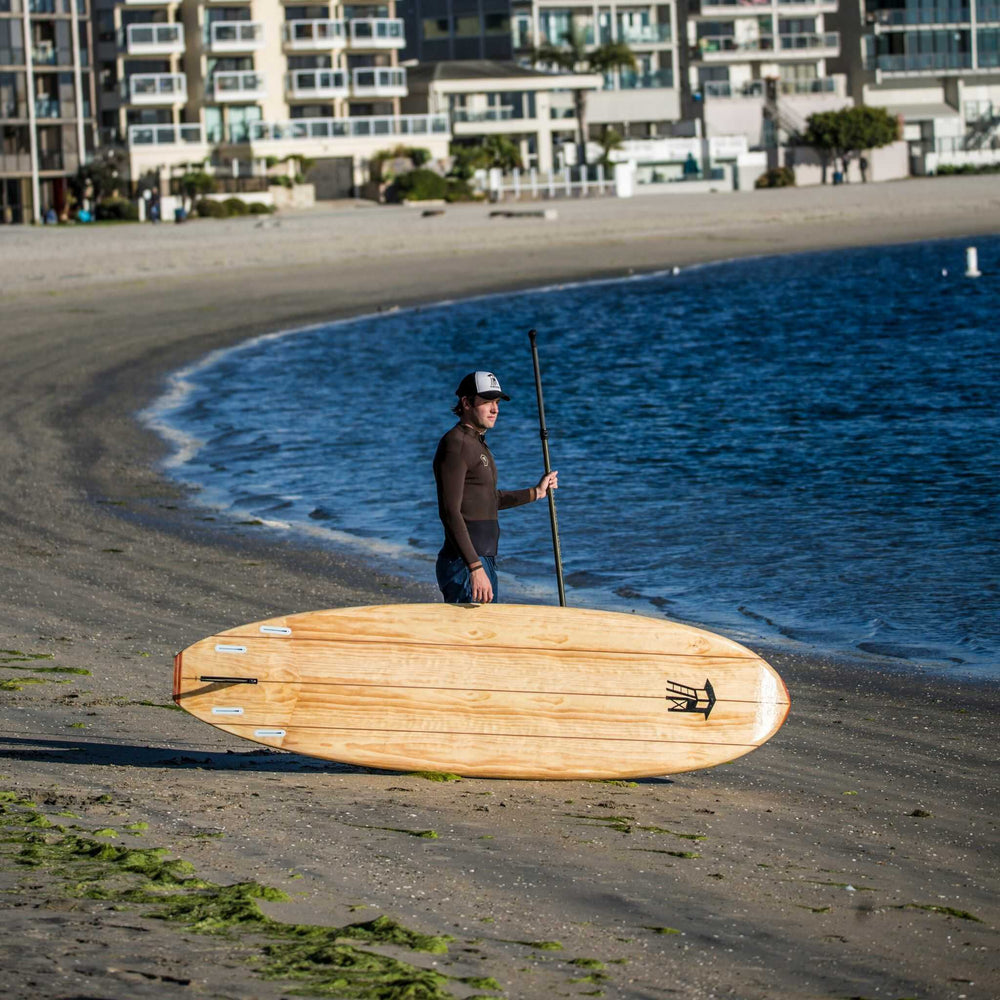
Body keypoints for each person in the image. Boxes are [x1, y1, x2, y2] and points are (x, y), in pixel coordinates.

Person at [433, 371, 558, 604]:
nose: (495, 409)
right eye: (487, 401)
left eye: (497, 402)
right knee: (473, 639)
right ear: (466, 403)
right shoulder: (456, 444)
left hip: (481, 559)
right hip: (465, 563)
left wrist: (537, 492)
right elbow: (449, 512)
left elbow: (489, 500)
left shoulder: (477, 444)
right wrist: (474, 567)